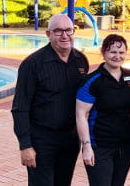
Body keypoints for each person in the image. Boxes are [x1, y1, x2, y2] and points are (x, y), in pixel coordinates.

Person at [11, 14, 89, 186]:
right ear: (48, 34)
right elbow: (20, 107)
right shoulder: (32, 64)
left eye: (69, 30)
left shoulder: (80, 61)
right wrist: (25, 145)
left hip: (70, 139)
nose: (64, 35)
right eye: (58, 31)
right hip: (42, 140)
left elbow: (85, 102)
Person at [76, 34, 130, 186]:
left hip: (125, 145)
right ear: (103, 52)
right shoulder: (92, 81)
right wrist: (86, 147)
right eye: (112, 52)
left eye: (121, 53)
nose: (117, 56)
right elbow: (81, 114)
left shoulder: (129, 77)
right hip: (100, 146)